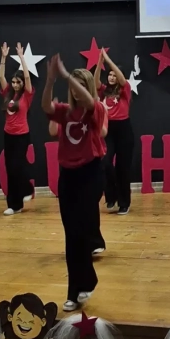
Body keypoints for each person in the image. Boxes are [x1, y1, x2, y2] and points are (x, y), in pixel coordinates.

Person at [43, 54, 106, 312]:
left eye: (80, 86)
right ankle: (77, 288)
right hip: (67, 176)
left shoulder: (95, 109)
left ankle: (84, 283)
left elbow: (89, 101)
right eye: (73, 87)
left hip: (90, 173)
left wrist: (67, 75)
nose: (75, 91)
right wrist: (50, 80)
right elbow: (46, 107)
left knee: (81, 231)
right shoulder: (65, 112)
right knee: (71, 235)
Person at [94, 49, 134, 215]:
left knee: (123, 169)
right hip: (108, 130)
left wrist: (108, 59)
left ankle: (124, 203)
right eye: (109, 74)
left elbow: (122, 79)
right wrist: (100, 62)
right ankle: (111, 196)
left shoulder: (125, 89)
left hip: (124, 130)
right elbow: (95, 80)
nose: (111, 77)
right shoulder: (103, 90)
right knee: (105, 162)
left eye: (114, 75)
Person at [0, 42, 35, 216]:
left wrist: (21, 58)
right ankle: (14, 205)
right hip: (8, 135)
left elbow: (27, 77)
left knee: (17, 167)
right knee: (10, 170)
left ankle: (27, 189)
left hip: (22, 135)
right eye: (13, 82)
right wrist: (3, 57)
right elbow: (0, 76)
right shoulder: (8, 93)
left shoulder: (27, 95)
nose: (14, 84)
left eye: (17, 82)